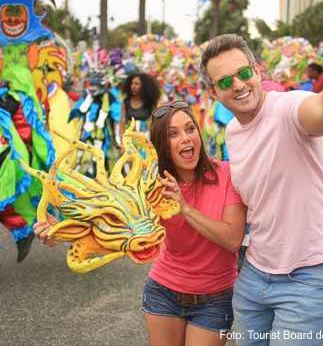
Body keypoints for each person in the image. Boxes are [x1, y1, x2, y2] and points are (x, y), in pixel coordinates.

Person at [200, 34, 323, 345]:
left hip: (309, 277)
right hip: (255, 275)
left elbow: (322, 109)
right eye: (225, 82)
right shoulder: (232, 132)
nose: (239, 86)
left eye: (243, 74)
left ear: (257, 70)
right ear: (212, 92)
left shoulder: (288, 108)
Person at [34, 101, 247, 346]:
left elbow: (232, 239)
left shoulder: (227, 174)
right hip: (164, 293)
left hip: (215, 298)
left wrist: (184, 207)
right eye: (173, 134)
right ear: (161, 145)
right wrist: (59, 233)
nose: (186, 138)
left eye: (190, 129)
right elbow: (116, 229)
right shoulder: (148, 187)